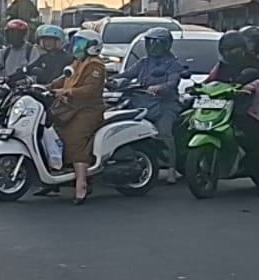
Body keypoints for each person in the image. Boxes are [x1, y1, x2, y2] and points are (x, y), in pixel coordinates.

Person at [205, 30, 259, 196]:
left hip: (248, 108)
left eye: (233, 49)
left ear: (242, 49)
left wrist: (249, 87)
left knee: (252, 140)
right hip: (223, 106)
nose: (229, 53)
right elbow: (211, 80)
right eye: (226, 49)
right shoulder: (222, 65)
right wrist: (197, 88)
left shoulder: (253, 63)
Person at [118, 27, 191, 183]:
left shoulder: (173, 64)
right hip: (141, 102)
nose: (152, 46)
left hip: (165, 104)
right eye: (150, 42)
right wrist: (111, 80)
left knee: (165, 133)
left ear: (166, 45)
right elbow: (126, 75)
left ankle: (171, 169)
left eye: (157, 43)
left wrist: (161, 87)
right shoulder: (143, 62)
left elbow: (173, 82)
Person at [50, 29, 107, 203]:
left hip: (88, 110)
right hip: (70, 108)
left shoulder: (95, 65)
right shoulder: (77, 62)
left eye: (80, 44)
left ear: (92, 46)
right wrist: (45, 87)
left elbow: (90, 89)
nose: (76, 47)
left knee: (76, 139)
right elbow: (63, 79)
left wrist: (67, 91)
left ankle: (81, 184)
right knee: (53, 132)